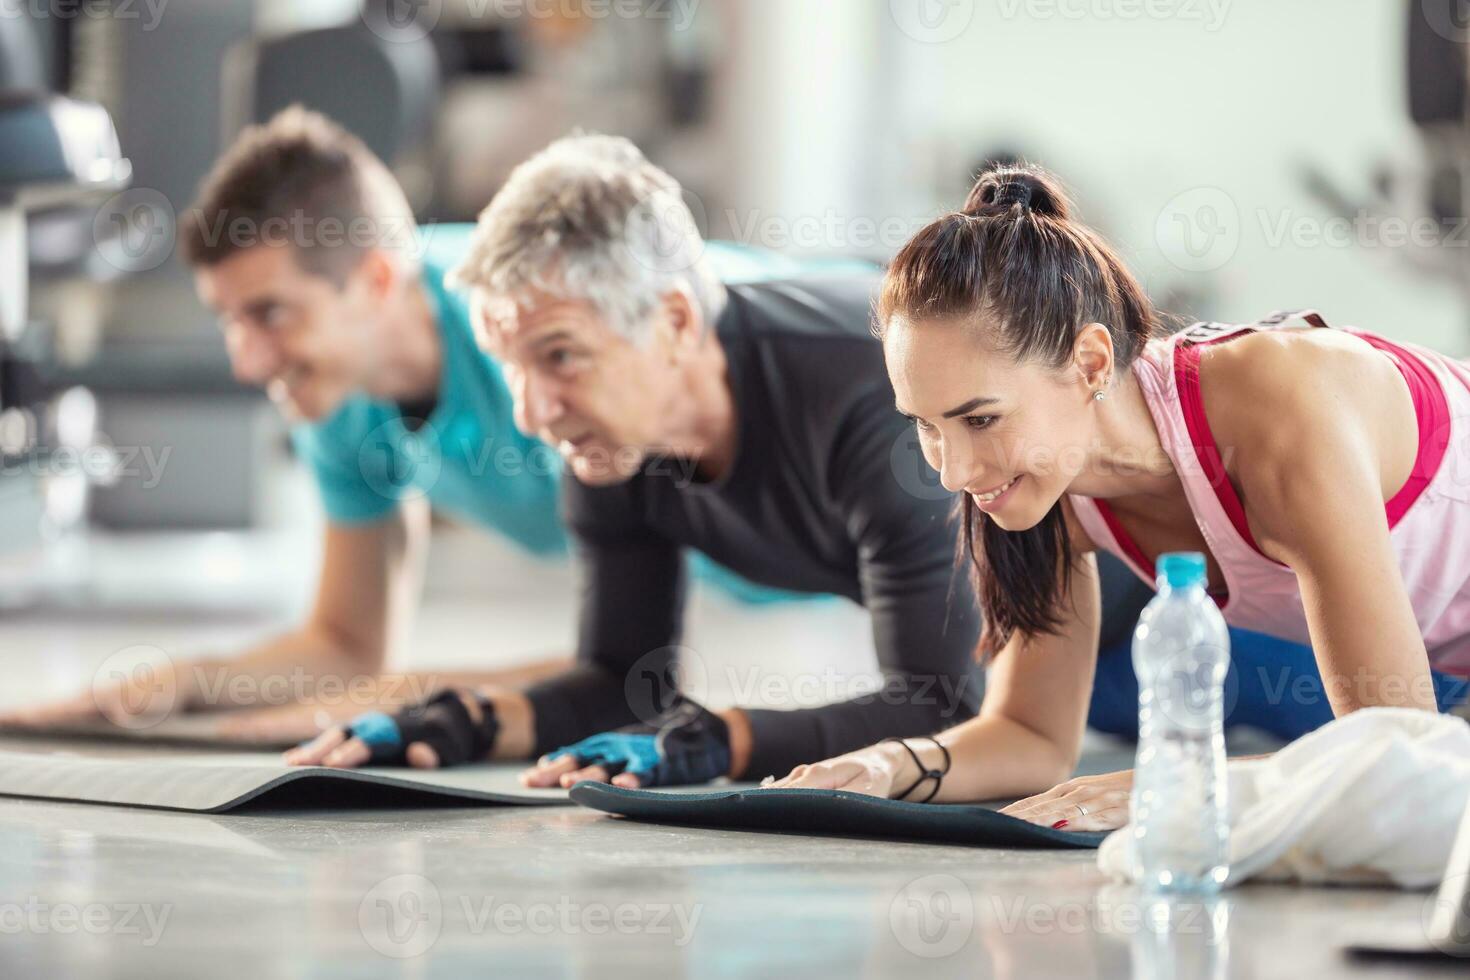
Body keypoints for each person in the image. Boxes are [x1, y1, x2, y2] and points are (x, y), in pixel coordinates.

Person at [287, 136, 1163, 785]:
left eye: (558, 357)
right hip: (1054, 687)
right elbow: (626, 682)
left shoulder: (869, 393)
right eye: (508, 366)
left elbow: (942, 704)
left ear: (672, 320)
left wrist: (719, 742)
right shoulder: (612, 441)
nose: (531, 409)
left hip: (1165, 623)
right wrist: (462, 723)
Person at [0, 108, 819, 742]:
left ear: (375, 279)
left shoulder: (537, 343)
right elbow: (348, 645)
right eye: (230, 321)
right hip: (783, 568)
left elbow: (620, 675)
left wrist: (391, 702)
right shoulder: (340, 400)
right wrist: (169, 686)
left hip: (844, 432)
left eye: (271, 314)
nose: (247, 362)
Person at [769, 164, 1470, 829]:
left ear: (1091, 364)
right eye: (927, 426)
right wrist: (892, 764)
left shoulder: (1281, 413)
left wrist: (1167, 786)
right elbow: (1031, 734)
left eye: (980, 419)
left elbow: (1394, 752)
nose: (953, 472)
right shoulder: (1047, 488)